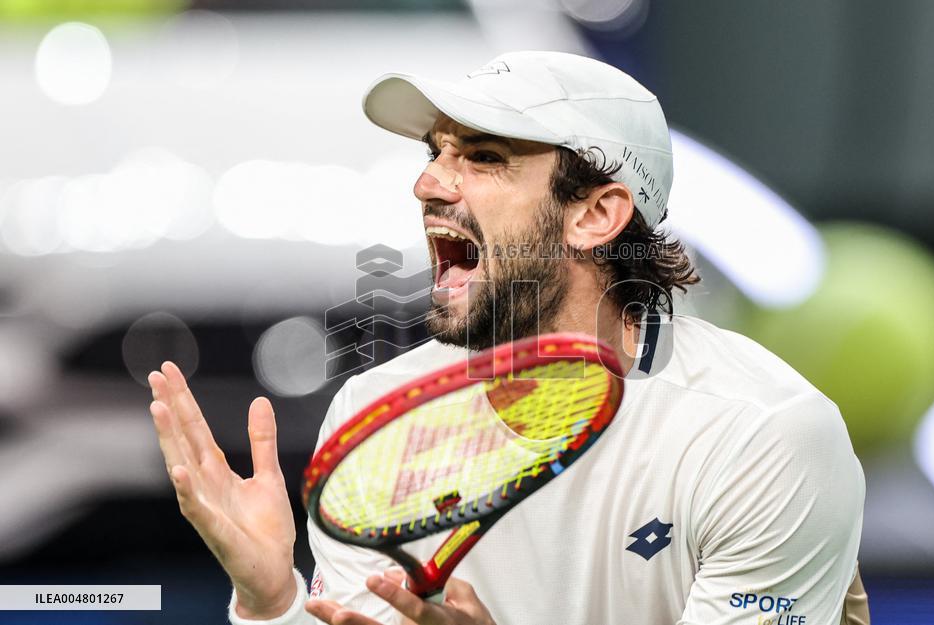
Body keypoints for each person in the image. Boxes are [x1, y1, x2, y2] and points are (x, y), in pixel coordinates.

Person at [148, 51, 869, 625]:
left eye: (484, 157)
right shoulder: (380, 413)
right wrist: (273, 603)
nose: (428, 183)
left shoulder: (765, 435)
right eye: (435, 152)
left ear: (595, 215)